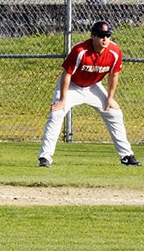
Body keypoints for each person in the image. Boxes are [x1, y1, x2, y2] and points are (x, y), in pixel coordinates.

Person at [38, 20, 141, 168]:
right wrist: (62, 99)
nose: (105, 39)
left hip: (93, 87)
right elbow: (67, 74)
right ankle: (45, 157)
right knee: (56, 113)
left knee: (115, 113)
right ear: (92, 36)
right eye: (101, 35)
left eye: (107, 35)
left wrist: (110, 98)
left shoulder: (114, 52)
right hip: (72, 86)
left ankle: (126, 156)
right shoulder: (80, 50)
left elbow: (114, 75)